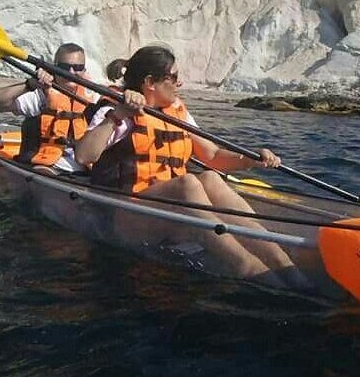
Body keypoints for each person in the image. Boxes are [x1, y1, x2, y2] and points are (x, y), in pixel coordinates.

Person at [74, 45, 308, 289]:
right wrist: (117, 115)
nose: (180, 82)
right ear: (150, 82)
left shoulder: (177, 112)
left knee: (210, 178)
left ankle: (283, 264)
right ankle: (248, 268)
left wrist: (250, 160)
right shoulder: (117, 111)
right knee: (187, 183)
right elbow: (83, 155)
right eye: (173, 77)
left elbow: (213, 155)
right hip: (123, 216)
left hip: (165, 210)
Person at [0, 42, 95, 173]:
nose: (71, 72)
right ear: (55, 68)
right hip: (45, 166)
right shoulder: (40, 94)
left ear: (84, 70)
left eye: (78, 67)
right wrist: (29, 84)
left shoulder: (93, 95)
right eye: (64, 67)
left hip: (85, 168)